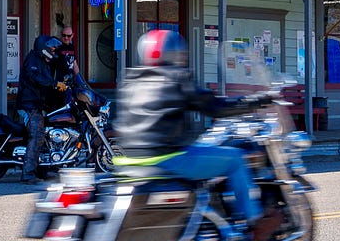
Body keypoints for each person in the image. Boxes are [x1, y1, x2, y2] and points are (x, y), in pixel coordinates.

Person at [113, 29, 263, 229]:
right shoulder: (177, 77)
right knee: (235, 159)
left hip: (128, 159)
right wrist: (253, 103)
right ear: (175, 53)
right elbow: (214, 108)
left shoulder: (131, 80)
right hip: (168, 158)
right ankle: (255, 223)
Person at [17, 35, 63, 184]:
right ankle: (28, 173)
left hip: (38, 105)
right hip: (29, 105)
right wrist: (55, 83)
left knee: (47, 135)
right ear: (43, 48)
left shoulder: (44, 61)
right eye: (51, 47)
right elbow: (37, 78)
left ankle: (43, 170)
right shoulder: (33, 60)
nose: (54, 49)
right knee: (36, 134)